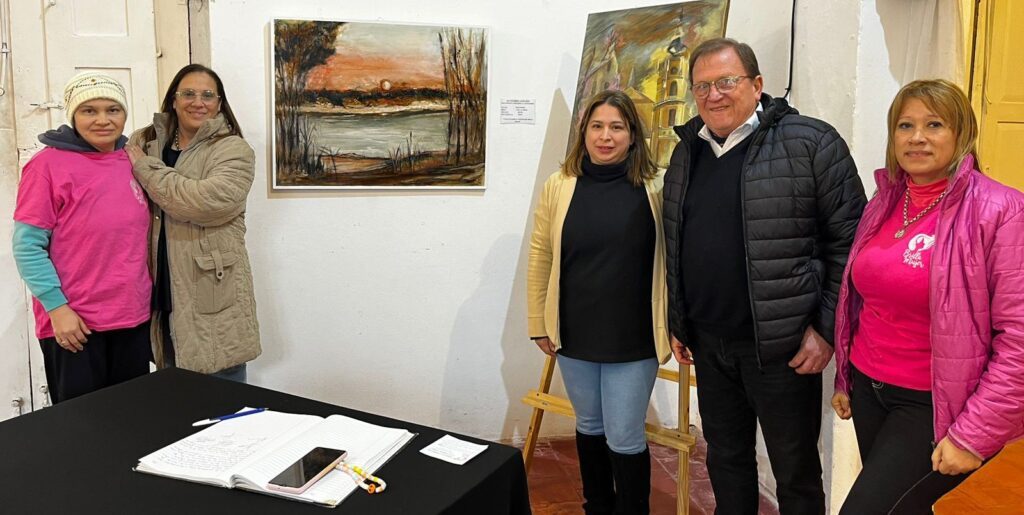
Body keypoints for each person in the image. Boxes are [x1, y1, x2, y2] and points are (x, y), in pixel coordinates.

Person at [662, 38, 866, 514]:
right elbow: (678, 243)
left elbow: (852, 245)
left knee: (795, 473)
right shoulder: (687, 152)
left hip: (783, 350)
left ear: (757, 85)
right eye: (702, 86)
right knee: (726, 462)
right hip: (710, 345)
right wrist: (680, 320)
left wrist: (825, 330)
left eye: (726, 81)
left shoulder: (812, 143)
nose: (713, 95)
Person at [831, 79, 1024, 514]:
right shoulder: (885, 200)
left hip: (937, 405)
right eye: (905, 125)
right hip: (870, 388)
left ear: (961, 133)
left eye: (934, 124)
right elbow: (863, 300)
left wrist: (974, 434)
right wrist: (846, 377)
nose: (917, 137)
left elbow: (1019, 339)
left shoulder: (1002, 210)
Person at [527, 89, 671, 515]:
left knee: (625, 435)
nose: (605, 136)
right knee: (589, 425)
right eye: (597, 126)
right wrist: (538, 322)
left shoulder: (657, 186)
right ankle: (597, 507)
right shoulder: (560, 184)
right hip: (574, 331)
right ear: (584, 132)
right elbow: (541, 254)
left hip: (634, 336)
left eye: (616, 127)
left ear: (633, 134)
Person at [12, 72, 152, 403]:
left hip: (132, 317)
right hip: (75, 323)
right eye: (90, 110)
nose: (103, 120)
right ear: (73, 115)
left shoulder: (133, 161)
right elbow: (27, 246)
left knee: (132, 416)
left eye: (113, 110)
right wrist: (57, 308)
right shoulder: (47, 166)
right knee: (81, 424)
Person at [125, 64, 260, 383]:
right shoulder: (145, 141)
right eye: (188, 93)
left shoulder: (233, 149)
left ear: (219, 103)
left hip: (210, 288)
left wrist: (147, 169)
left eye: (207, 95)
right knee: (173, 394)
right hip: (160, 288)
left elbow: (204, 203)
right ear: (173, 99)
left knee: (225, 397)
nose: (198, 102)